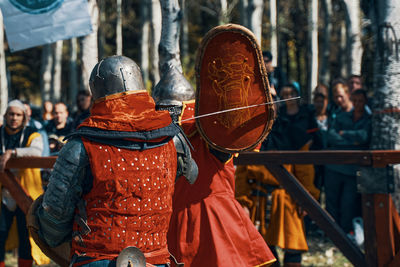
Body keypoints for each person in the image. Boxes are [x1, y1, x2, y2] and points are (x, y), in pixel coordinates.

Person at [34, 55, 196, 267]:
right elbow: (187, 179)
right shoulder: (173, 140)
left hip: (96, 260)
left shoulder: (81, 146)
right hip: (156, 260)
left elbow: (55, 215)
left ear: (97, 92)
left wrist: (46, 229)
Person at [153, 66, 276, 267]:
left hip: (210, 221)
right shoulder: (155, 135)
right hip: (181, 220)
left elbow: (239, 133)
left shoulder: (208, 132)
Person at [235, 84, 321, 267]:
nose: (268, 105)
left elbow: (305, 169)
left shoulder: (294, 131)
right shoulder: (249, 136)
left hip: (287, 198)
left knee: (293, 251)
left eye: (271, 101)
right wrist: (243, 202)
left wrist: (308, 198)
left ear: (277, 104)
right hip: (258, 199)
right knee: (263, 254)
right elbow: (242, 173)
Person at [0, 100, 49, 267]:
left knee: (26, 235)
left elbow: (36, 151)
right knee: (0, 234)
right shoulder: (0, 132)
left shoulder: (32, 133)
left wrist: (12, 153)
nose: (14, 118)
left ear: (24, 117)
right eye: (11, 114)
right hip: (3, 194)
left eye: (18, 114)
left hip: (25, 192)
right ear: (5, 116)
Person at [325, 89, 371, 236]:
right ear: (351, 100)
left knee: (348, 204)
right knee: (331, 202)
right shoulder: (341, 116)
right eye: (355, 100)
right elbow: (331, 136)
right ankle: (330, 233)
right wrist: (353, 141)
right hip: (334, 166)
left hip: (353, 170)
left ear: (365, 102)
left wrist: (344, 134)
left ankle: (344, 236)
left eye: (361, 101)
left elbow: (364, 137)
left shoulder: (369, 119)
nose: (358, 104)